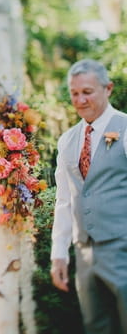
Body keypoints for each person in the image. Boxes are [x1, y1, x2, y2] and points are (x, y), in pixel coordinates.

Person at [50, 59, 127, 333]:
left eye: (87, 92)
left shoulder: (126, 128)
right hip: (84, 255)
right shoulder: (67, 139)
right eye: (74, 93)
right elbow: (65, 200)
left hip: (123, 250)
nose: (80, 100)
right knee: (97, 328)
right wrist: (59, 254)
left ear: (107, 89)